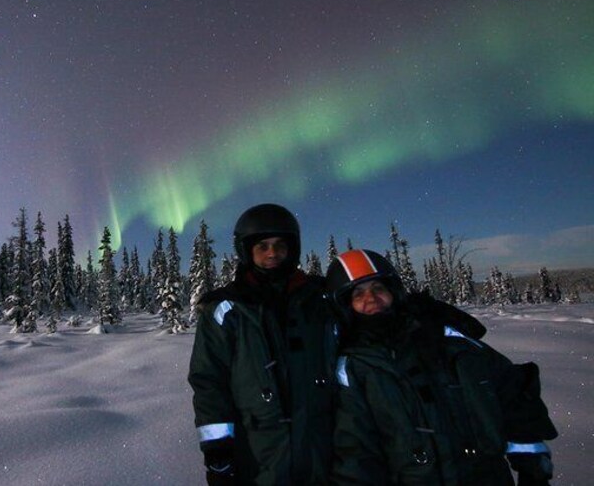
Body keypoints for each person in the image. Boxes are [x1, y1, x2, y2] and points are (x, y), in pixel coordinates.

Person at [326, 249, 557, 485]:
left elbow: (512, 392)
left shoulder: (446, 337)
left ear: (393, 291)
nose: (372, 298)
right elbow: (354, 449)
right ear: (346, 305)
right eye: (358, 294)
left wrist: (533, 468)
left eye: (378, 288)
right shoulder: (352, 367)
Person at [188, 203, 338, 485]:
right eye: (263, 246)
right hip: (258, 454)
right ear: (247, 251)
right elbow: (209, 382)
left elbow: (366, 322)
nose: (273, 253)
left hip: (322, 450)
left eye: (280, 245)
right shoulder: (226, 309)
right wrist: (218, 452)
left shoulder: (320, 299)